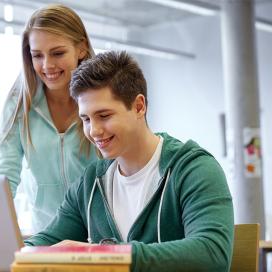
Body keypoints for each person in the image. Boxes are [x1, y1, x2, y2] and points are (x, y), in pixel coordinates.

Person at [24, 51, 234, 272]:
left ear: (139, 107)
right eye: (86, 119)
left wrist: (102, 255)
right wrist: (14, 254)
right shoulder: (91, 183)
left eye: (104, 116)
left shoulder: (194, 169)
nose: (94, 131)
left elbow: (212, 254)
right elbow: (44, 243)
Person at [0, 4, 98, 231]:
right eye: (37, 55)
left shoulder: (101, 98)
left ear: (81, 49)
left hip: (101, 232)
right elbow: (5, 173)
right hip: (46, 233)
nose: (47, 65)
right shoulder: (19, 103)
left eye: (58, 53)